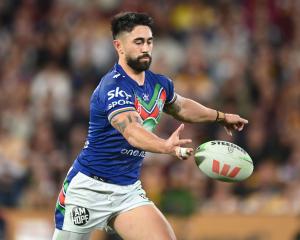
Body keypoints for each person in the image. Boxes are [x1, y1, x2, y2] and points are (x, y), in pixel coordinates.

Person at [52, 12, 248, 240]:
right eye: (138, 42)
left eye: (149, 41)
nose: (146, 48)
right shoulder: (113, 87)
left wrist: (221, 116)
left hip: (127, 190)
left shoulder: (159, 84)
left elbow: (182, 107)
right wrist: (167, 147)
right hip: (88, 189)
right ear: (119, 46)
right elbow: (132, 132)